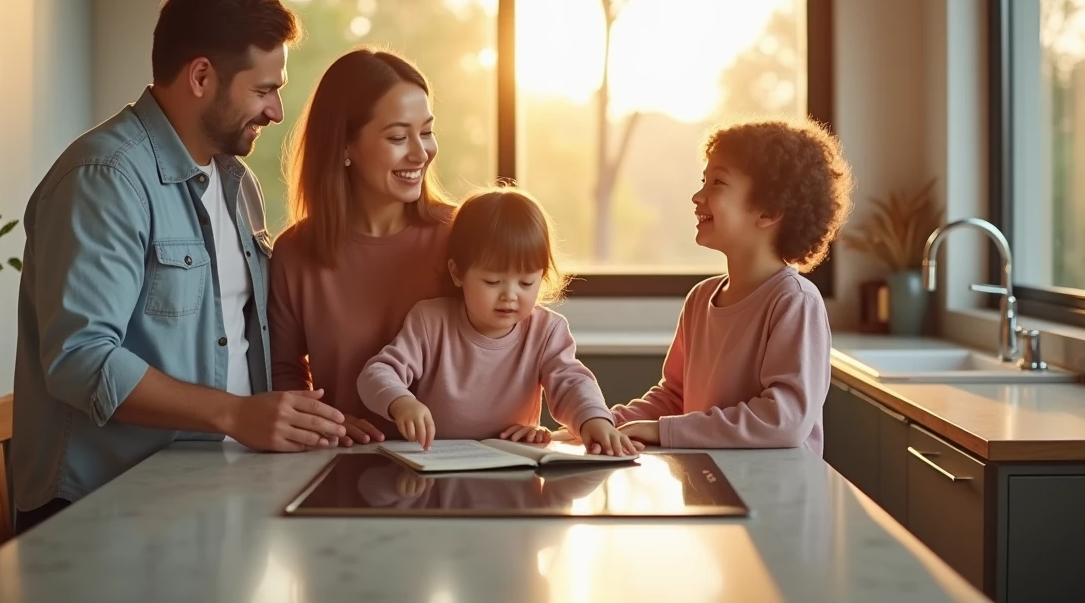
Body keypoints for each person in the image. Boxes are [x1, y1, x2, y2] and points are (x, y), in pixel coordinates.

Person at [11, 0, 347, 534]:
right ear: (200, 76)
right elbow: (82, 360)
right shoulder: (105, 178)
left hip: (218, 491)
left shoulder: (237, 183)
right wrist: (236, 414)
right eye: (264, 90)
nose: (277, 112)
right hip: (107, 511)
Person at [606, 117, 854, 455]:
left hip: (777, 496)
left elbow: (784, 419)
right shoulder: (700, 299)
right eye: (703, 180)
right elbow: (674, 398)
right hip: (709, 485)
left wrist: (662, 431)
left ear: (769, 211)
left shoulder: (794, 302)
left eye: (717, 183)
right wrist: (602, 423)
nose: (697, 196)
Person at [356, 186, 642, 457]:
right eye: (493, 281)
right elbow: (377, 373)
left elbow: (571, 383)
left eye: (526, 282)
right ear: (457, 274)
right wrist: (401, 403)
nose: (510, 295)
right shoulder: (430, 320)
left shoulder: (547, 330)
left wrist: (594, 420)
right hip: (437, 466)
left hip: (513, 463)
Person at [268, 48, 453, 445]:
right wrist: (325, 421)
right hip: (341, 461)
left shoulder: (462, 234)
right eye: (399, 137)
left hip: (459, 462)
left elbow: (517, 341)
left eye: (426, 132)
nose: (421, 153)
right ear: (344, 146)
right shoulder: (294, 254)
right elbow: (285, 373)